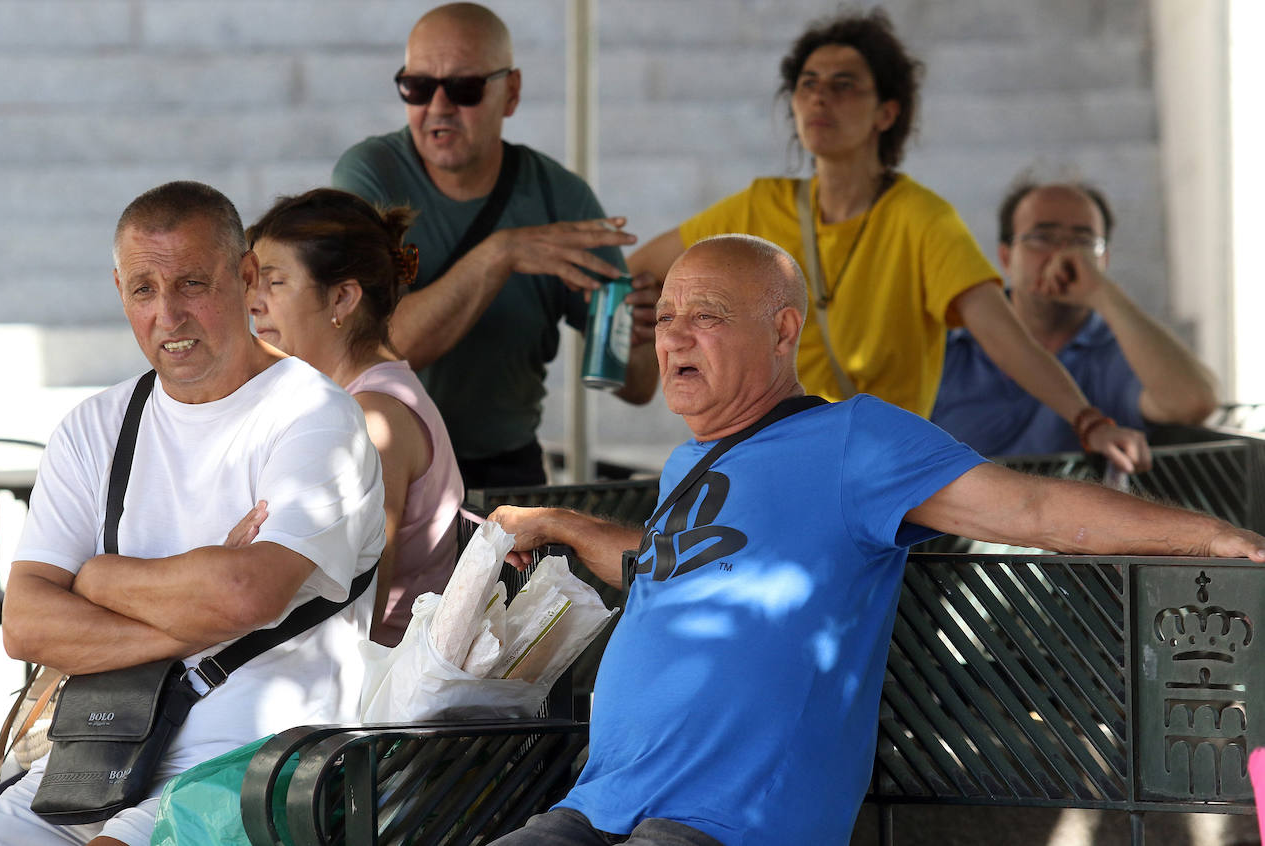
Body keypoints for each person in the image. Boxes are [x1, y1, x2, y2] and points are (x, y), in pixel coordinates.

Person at [484, 235, 1265, 846]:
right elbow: (667, 568)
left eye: (708, 317)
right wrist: (560, 524)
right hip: (601, 802)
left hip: (727, 822)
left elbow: (1029, 508)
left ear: (784, 330)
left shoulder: (854, 440)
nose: (675, 337)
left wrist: (1212, 538)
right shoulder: (691, 460)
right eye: (666, 318)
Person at [0, 181, 385, 846]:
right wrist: (196, 617)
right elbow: (25, 624)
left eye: (192, 285)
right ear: (119, 289)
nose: (168, 315)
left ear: (243, 278)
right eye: (144, 290)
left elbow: (247, 589)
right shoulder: (95, 427)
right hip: (99, 752)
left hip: (253, 769)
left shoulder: (314, 416)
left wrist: (96, 581)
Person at [625, 8, 1150, 473]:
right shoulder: (761, 205)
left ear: (887, 112)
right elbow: (640, 271)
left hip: (875, 473)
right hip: (766, 462)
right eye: (807, 83)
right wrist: (643, 353)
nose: (819, 97)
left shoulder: (920, 218)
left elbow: (1004, 336)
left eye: (844, 84)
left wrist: (1087, 420)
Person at [331, 2, 659, 489]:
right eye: (418, 87)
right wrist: (500, 253)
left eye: (465, 88)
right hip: (386, 459)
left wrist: (638, 335)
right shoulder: (370, 174)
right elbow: (369, 347)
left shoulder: (558, 197)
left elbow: (635, 385)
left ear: (512, 93)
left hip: (506, 468)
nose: (438, 106)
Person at [246, 187, 464, 646]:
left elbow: (361, 606)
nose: (253, 302)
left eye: (275, 282)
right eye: (252, 282)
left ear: (343, 298)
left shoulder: (373, 417)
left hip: (372, 697)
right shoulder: (359, 399)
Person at [931, 179, 1220, 455]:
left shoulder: (1117, 352)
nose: (1064, 255)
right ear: (1006, 258)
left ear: (1104, 260)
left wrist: (1102, 291)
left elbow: (1194, 402)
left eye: (1084, 242)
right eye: (1042, 238)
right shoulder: (949, 342)